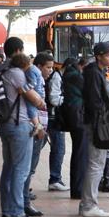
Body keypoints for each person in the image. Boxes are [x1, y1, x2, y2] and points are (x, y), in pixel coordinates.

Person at [0, 37, 46, 217]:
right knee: (21, 169)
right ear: (19, 51)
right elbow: (34, 99)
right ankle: (17, 213)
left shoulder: (1, 69)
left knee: (9, 168)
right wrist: (41, 102)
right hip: (19, 124)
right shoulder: (17, 72)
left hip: (5, 124)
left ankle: (7, 212)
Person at [79, 42, 109, 217]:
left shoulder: (97, 72)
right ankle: (88, 205)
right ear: (99, 55)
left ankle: (89, 203)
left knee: (98, 163)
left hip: (97, 122)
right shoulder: (94, 73)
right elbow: (95, 101)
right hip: (97, 123)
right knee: (96, 163)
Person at [22, 52, 51, 217]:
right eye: (47, 67)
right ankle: (24, 202)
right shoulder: (34, 74)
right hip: (35, 127)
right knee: (28, 168)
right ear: (39, 66)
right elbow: (32, 100)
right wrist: (38, 125)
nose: (49, 71)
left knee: (28, 168)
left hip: (38, 125)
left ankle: (24, 198)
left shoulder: (36, 75)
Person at [59, 57, 86, 199]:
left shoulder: (68, 76)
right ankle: (78, 189)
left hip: (73, 117)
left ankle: (77, 188)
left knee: (78, 152)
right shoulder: (76, 77)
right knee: (80, 153)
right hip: (79, 118)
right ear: (81, 66)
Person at [45, 53, 68, 192]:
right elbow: (54, 99)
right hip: (53, 118)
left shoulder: (56, 76)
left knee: (56, 147)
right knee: (59, 148)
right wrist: (67, 99)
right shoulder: (57, 78)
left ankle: (55, 178)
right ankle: (55, 178)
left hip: (51, 118)